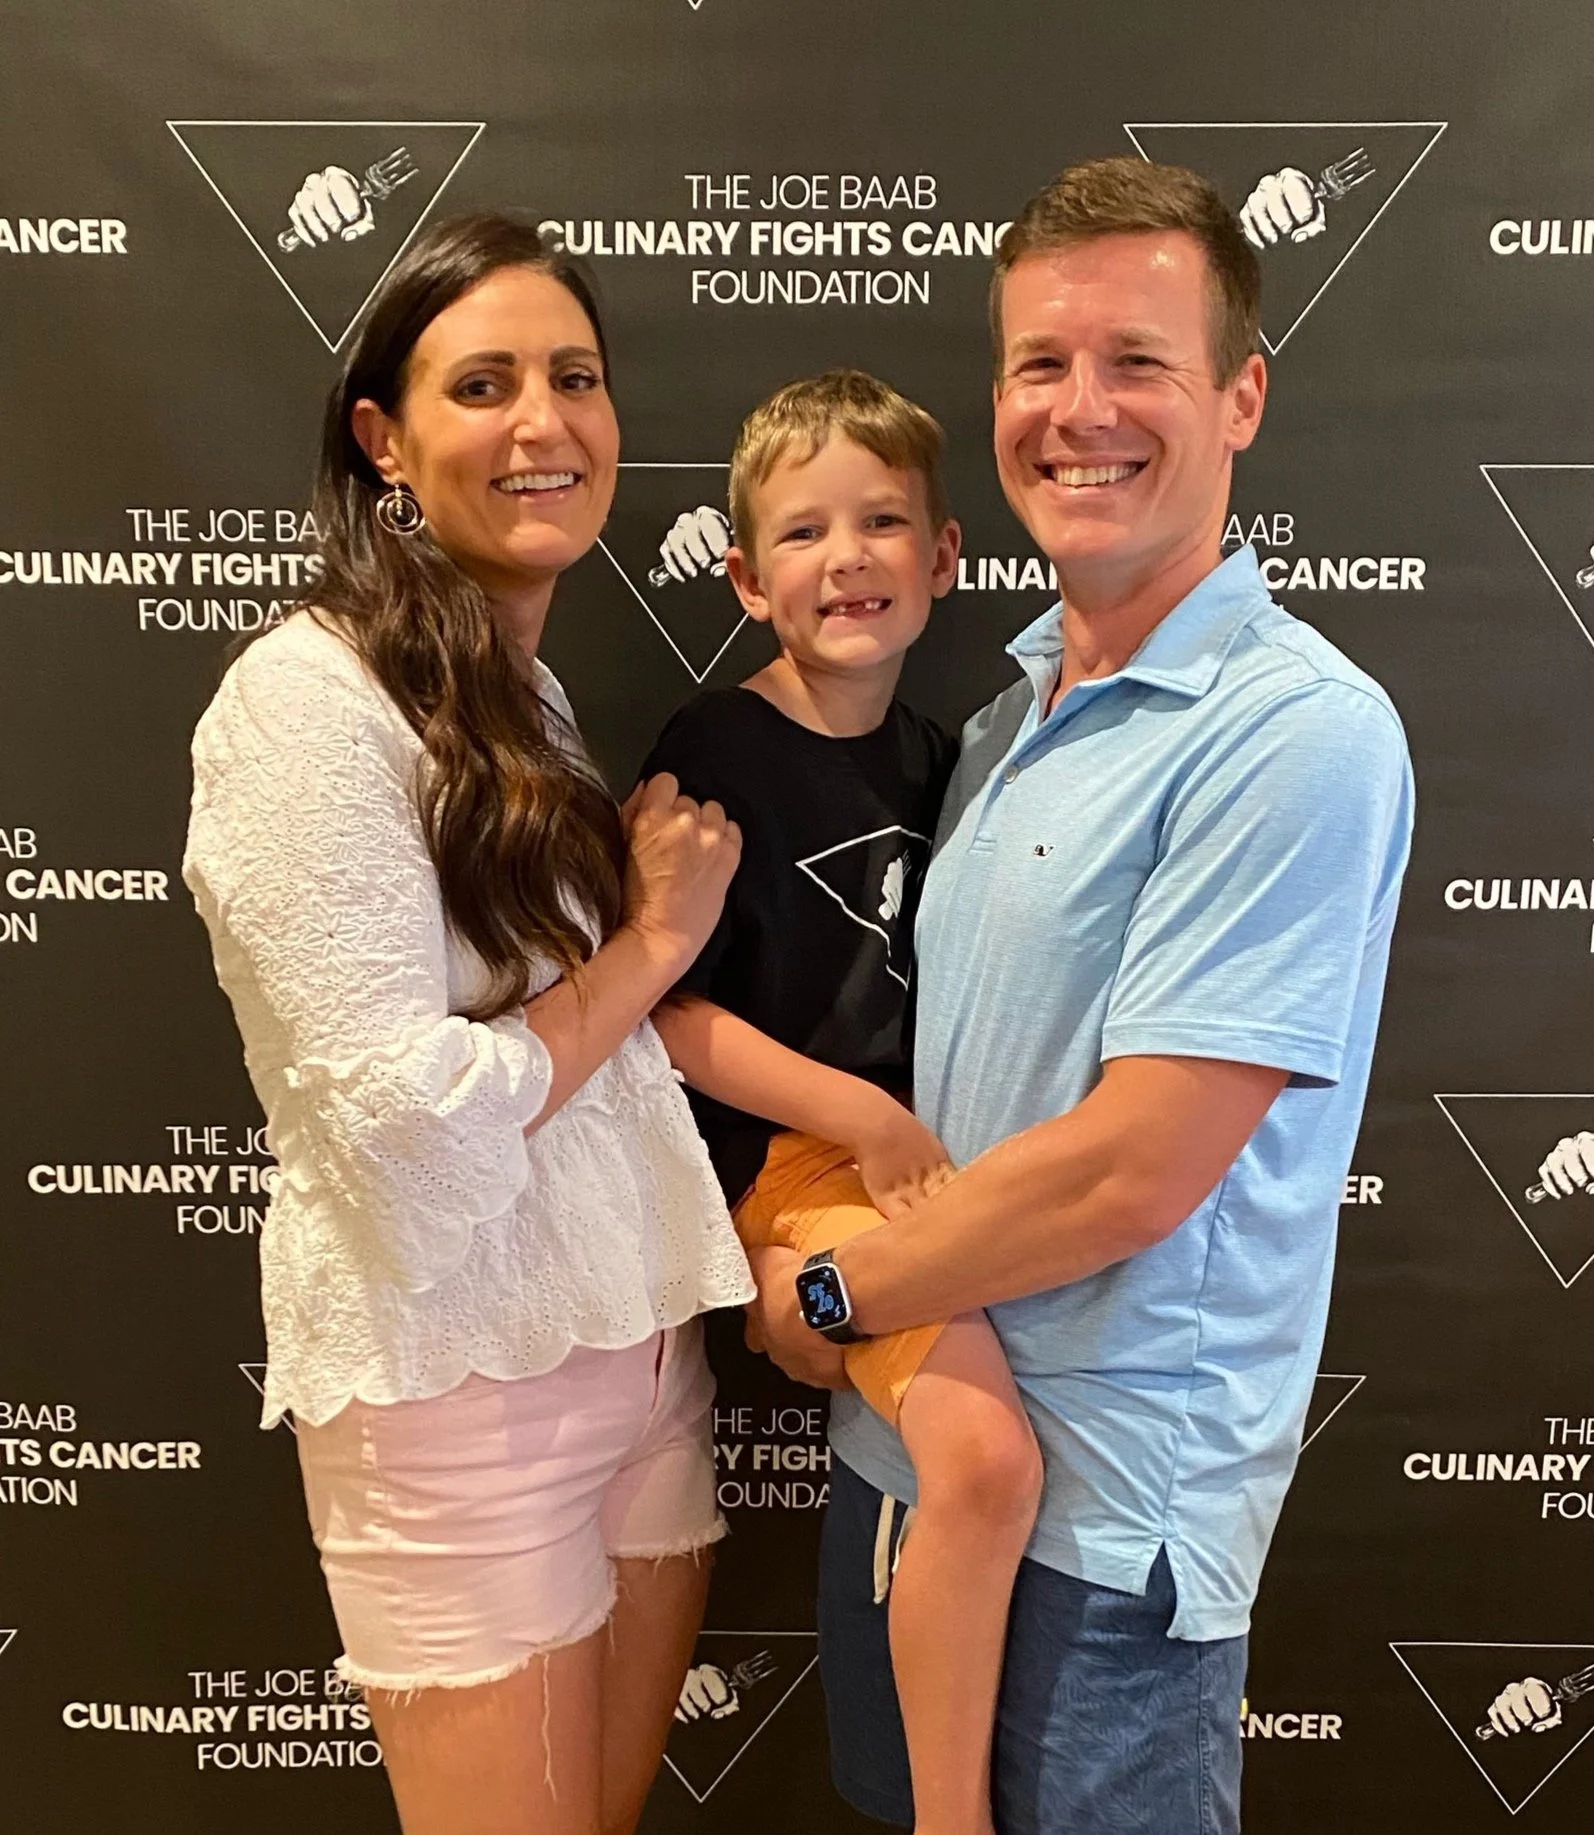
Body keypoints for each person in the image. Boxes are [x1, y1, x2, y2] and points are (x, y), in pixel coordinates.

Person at [746, 159, 1416, 1834]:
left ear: (1239, 396)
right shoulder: (999, 720)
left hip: (1104, 1540)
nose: (1080, 409)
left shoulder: (1292, 731)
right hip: (903, 1462)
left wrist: (830, 1291)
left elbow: (1130, 1168)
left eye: (1137, 362)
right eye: (1040, 363)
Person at [182, 213, 753, 1835]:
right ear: (384, 437)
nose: (542, 422)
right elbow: (407, 1121)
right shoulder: (303, 700)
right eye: (483, 383)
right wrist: (655, 940)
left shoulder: (529, 693)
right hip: (456, 1395)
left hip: (637, 1355)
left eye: (574, 376)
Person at [641, 370, 1043, 1835]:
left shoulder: (945, 756)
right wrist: (863, 1124)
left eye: (881, 522)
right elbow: (667, 1013)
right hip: (802, 1163)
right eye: (804, 532)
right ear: (749, 580)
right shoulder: (713, 751)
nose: (848, 557)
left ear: (944, 557)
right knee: (984, 1459)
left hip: (923, 1150)